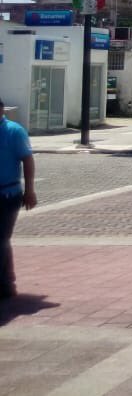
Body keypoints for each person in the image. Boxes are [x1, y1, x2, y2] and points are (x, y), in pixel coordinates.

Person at [1, 98, 35, 301]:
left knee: (1, 239)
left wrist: (30, 190)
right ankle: (6, 283)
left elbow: (28, 160)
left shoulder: (14, 131)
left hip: (7, 194)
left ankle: (5, 283)